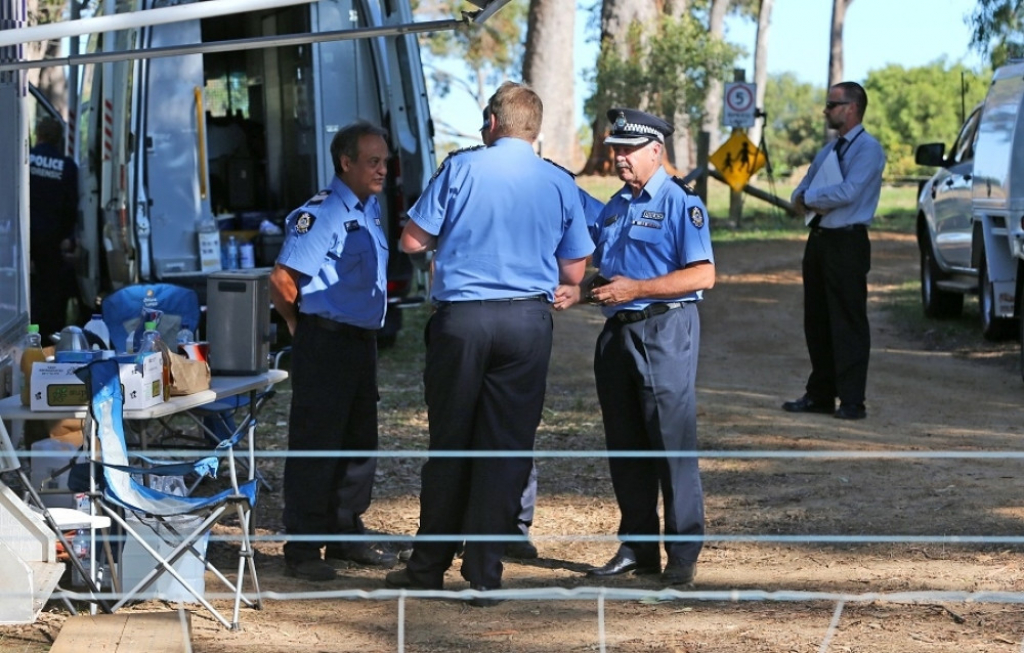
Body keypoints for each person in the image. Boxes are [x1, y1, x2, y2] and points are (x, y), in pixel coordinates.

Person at [384, 81, 594, 605]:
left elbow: (411, 240)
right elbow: (573, 268)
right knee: (505, 447)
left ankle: (429, 566)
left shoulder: (460, 168)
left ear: (493, 123)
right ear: (535, 129)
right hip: (526, 324)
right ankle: (483, 573)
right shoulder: (559, 182)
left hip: (464, 322)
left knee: (451, 442)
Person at [580, 107, 715, 586]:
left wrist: (635, 289)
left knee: (670, 443)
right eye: (616, 149)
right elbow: (604, 269)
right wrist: (578, 291)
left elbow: (703, 274)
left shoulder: (683, 202)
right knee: (627, 444)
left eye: (628, 150)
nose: (618, 157)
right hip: (617, 333)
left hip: (664, 329)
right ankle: (637, 546)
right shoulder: (615, 204)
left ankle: (682, 555)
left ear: (656, 150)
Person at [270, 121, 397, 582]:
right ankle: (303, 546)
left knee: (359, 442)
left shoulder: (369, 209)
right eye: (373, 161)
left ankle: (345, 530)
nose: (383, 169)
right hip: (324, 340)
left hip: (359, 342)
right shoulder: (320, 213)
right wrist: (297, 325)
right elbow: (282, 281)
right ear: (346, 163)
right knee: (316, 444)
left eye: (384, 160)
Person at [783, 82, 886, 421]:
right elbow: (804, 185)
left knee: (848, 321)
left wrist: (809, 200)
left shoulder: (868, 150)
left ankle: (853, 400)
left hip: (847, 241)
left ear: (852, 108)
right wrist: (802, 197)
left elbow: (848, 192)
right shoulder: (829, 151)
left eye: (832, 104)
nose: (826, 110)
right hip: (821, 240)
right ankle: (821, 394)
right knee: (817, 319)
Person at [29, 117, 79, 338]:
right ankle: (49, 335)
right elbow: (71, 206)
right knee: (51, 289)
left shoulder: (25, 158)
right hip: (52, 238)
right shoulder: (67, 166)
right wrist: (68, 236)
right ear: (59, 139)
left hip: (22, 236)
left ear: (38, 135)